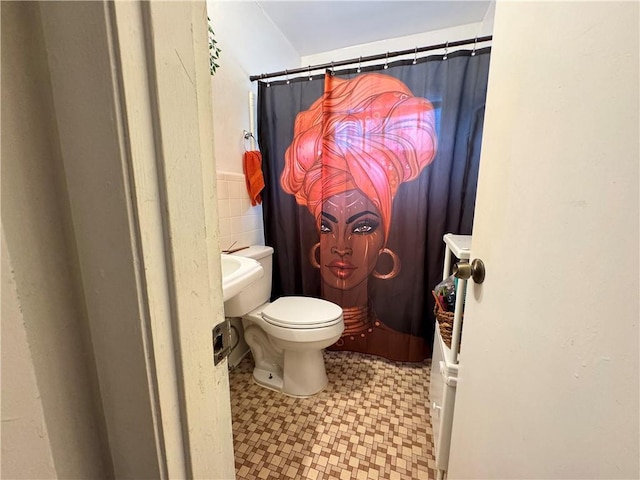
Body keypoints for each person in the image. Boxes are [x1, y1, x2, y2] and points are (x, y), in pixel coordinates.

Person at [280, 73, 437, 361]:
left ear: (384, 241)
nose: (341, 246)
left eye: (363, 226)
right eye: (326, 226)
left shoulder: (408, 343)